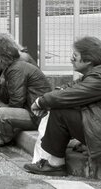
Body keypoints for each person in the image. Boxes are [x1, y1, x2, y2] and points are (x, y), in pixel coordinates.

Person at [24, 36, 101, 176]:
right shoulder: (92, 75)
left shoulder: (98, 78)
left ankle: (55, 164)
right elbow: (66, 89)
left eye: (75, 55)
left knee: (61, 111)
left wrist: (41, 102)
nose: (71, 58)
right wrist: (48, 99)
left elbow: (70, 95)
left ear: (89, 60)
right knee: (60, 106)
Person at [0, 36, 52, 146]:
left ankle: (4, 136)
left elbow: (16, 102)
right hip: (31, 109)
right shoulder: (12, 66)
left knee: (1, 112)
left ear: (0, 58)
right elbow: (6, 96)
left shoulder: (16, 68)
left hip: (37, 115)